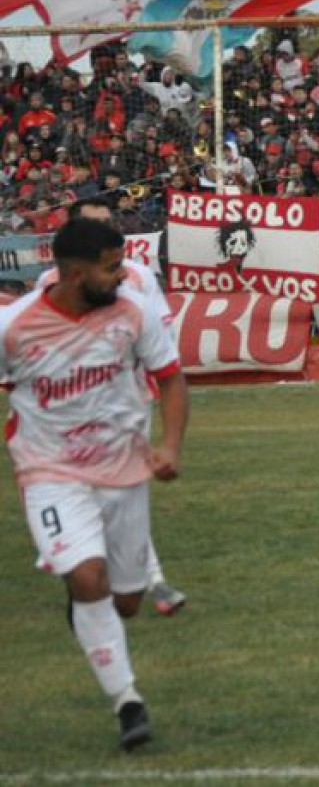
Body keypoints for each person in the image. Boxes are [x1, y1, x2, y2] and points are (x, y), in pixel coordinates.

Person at [3, 217, 189, 750]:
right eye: (111, 268)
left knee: (125, 602)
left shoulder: (132, 313)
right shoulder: (14, 326)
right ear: (75, 272)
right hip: (50, 471)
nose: (122, 276)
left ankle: (86, 605)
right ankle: (128, 703)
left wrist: (170, 446)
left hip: (124, 469)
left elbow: (171, 378)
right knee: (89, 578)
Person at [33, 200, 185, 616]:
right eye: (92, 223)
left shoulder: (138, 277)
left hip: (129, 403)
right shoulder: (49, 283)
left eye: (106, 222)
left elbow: (161, 332)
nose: (102, 230)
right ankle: (137, 577)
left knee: (123, 488)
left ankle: (107, 571)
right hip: (71, 409)